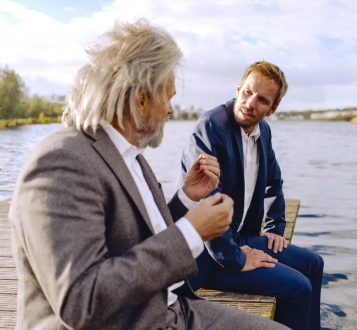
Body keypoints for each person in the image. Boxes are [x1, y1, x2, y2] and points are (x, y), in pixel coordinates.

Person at [9, 20, 286, 330]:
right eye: (167, 96)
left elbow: (135, 236)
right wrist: (192, 232)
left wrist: (186, 198)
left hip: (169, 310)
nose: (170, 109)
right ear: (141, 99)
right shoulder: (62, 163)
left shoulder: (130, 156)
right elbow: (80, 303)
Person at [179, 61, 324, 330]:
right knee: (299, 288)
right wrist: (238, 258)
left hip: (243, 236)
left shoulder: (263, 132)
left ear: (273, 108)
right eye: (247, 92)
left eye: (262, 100)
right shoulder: (211, 126)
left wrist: (275, 227)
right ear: (238, 88)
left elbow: (273, 183)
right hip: (209, 255)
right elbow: (208, 201)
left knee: (314, 264)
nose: (250, 103)